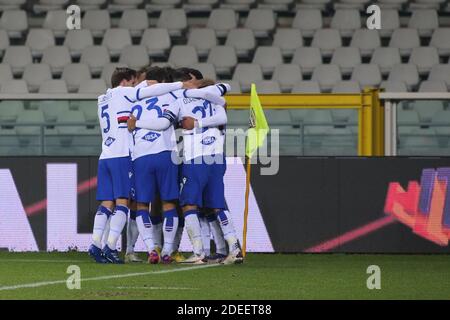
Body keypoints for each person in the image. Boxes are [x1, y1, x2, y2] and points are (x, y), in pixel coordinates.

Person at [88, 67, 195, 264]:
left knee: (107, 203)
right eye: (132, 81)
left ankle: (95, 243)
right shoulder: (126, 92)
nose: (134, 85)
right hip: (123, 155)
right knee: (123, 202)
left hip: (105, 155)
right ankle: (110, 247)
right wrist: (181, 85)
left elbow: (144, 88)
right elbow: (150, 89)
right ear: (125, 81)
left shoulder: (102, 98)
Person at [127, 67, 228, 264]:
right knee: (172, 204)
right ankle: (168, 250)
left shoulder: (134, 95)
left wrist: (137, 124)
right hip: (171, 154)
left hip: (144, 155)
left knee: (144, 205)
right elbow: (222, 91)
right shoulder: (175, 94)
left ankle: (151, 248)